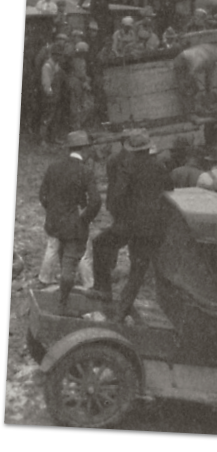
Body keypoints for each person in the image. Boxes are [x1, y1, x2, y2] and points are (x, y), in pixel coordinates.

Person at [94, 131, 173, 322]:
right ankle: (121, 312)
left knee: (100, 244)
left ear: (133, 150)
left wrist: (121, 216)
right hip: (151, 229)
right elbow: (170, 192)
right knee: (138, 270)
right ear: (147, 148)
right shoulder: (161, 168)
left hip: (128, 224)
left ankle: (103, 290)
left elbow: (118, 196)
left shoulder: (128, 168)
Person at [39, 131, 101, 315]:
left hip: (54, 224)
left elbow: (43, 195)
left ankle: (56, 290)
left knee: (57, 253)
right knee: (71, 263)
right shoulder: (85, 171)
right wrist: (84, 218)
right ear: (84, 149)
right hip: (74, 226)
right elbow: (96, 201)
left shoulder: (53, 167)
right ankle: (65, 301)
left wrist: (53, 212)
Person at [88, 129, 139, 303]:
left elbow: (115, 187)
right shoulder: (150, 163)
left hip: (122, 212)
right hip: (137, 215)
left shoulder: (114, 160)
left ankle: (105, 282)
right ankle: (112, 273)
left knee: (105, 242)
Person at [39, 44, 65, 145]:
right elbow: (46, 82)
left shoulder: (57, 65)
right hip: (49, 96)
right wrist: (49, 93)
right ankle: (43, 140)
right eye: (57, 55)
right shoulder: (47, 66)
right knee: (47, 117)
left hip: (56, 94)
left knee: (55, 117)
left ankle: (54, 138)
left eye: (60, 55)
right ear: (53, 55)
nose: (59, 57)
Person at [68, 41, 92, 130]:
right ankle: (75, 126)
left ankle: (79, 124)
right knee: (76, 105)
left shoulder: (82, 60)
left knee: (85, 105)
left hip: (80, 83)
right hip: (76, 83)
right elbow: (80, 74)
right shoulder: (76, 60)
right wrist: (85, 81)